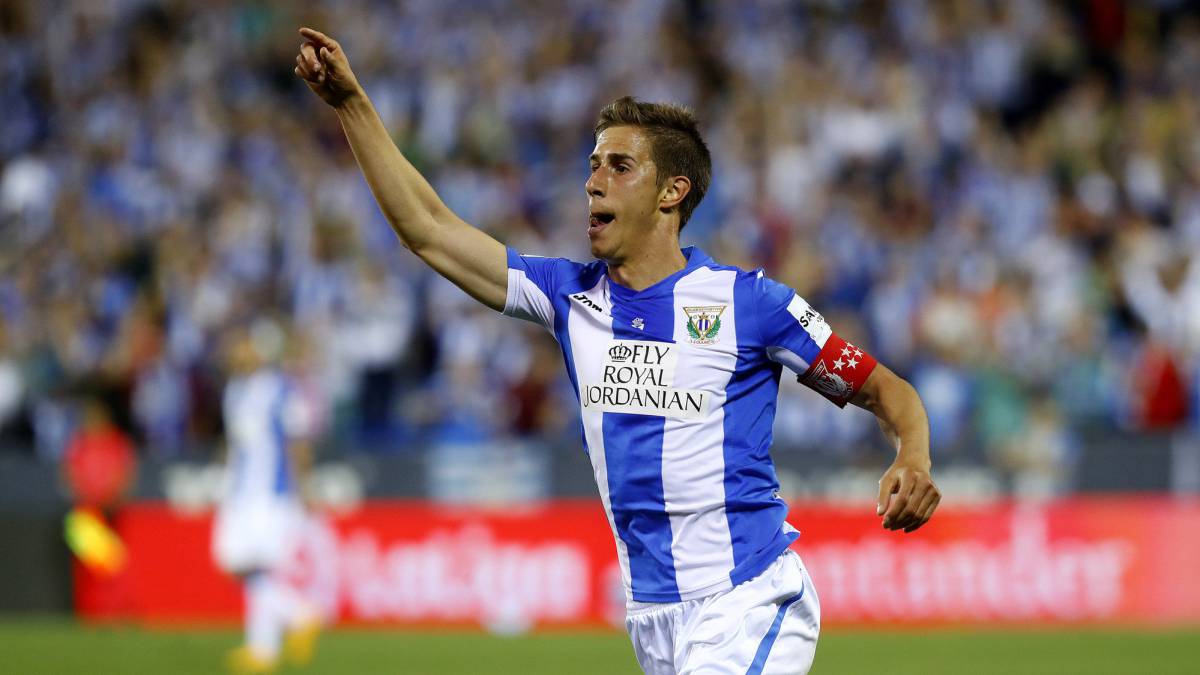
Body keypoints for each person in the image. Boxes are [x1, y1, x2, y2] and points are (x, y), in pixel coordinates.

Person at [294, 27, 940, 674]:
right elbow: (429, 230)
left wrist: (911, 453)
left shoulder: (750, 304)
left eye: (618, 166)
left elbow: (888, 389)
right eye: (593, 165)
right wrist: (352, 105)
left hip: (749, 599)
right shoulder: (568, 298)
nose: (593, 182)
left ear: (671, 192)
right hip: (653, 618)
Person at [212, 323, 322, 674]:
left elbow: (298, 442)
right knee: (238, 563)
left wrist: (303, 489)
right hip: (240, 491)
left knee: (255, 565)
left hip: (270, 493)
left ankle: (263, 649)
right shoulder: (234, 390)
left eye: (244, 346)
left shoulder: (281, 390)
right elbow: (234, 443)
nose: (235, 352)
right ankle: (293, 618)